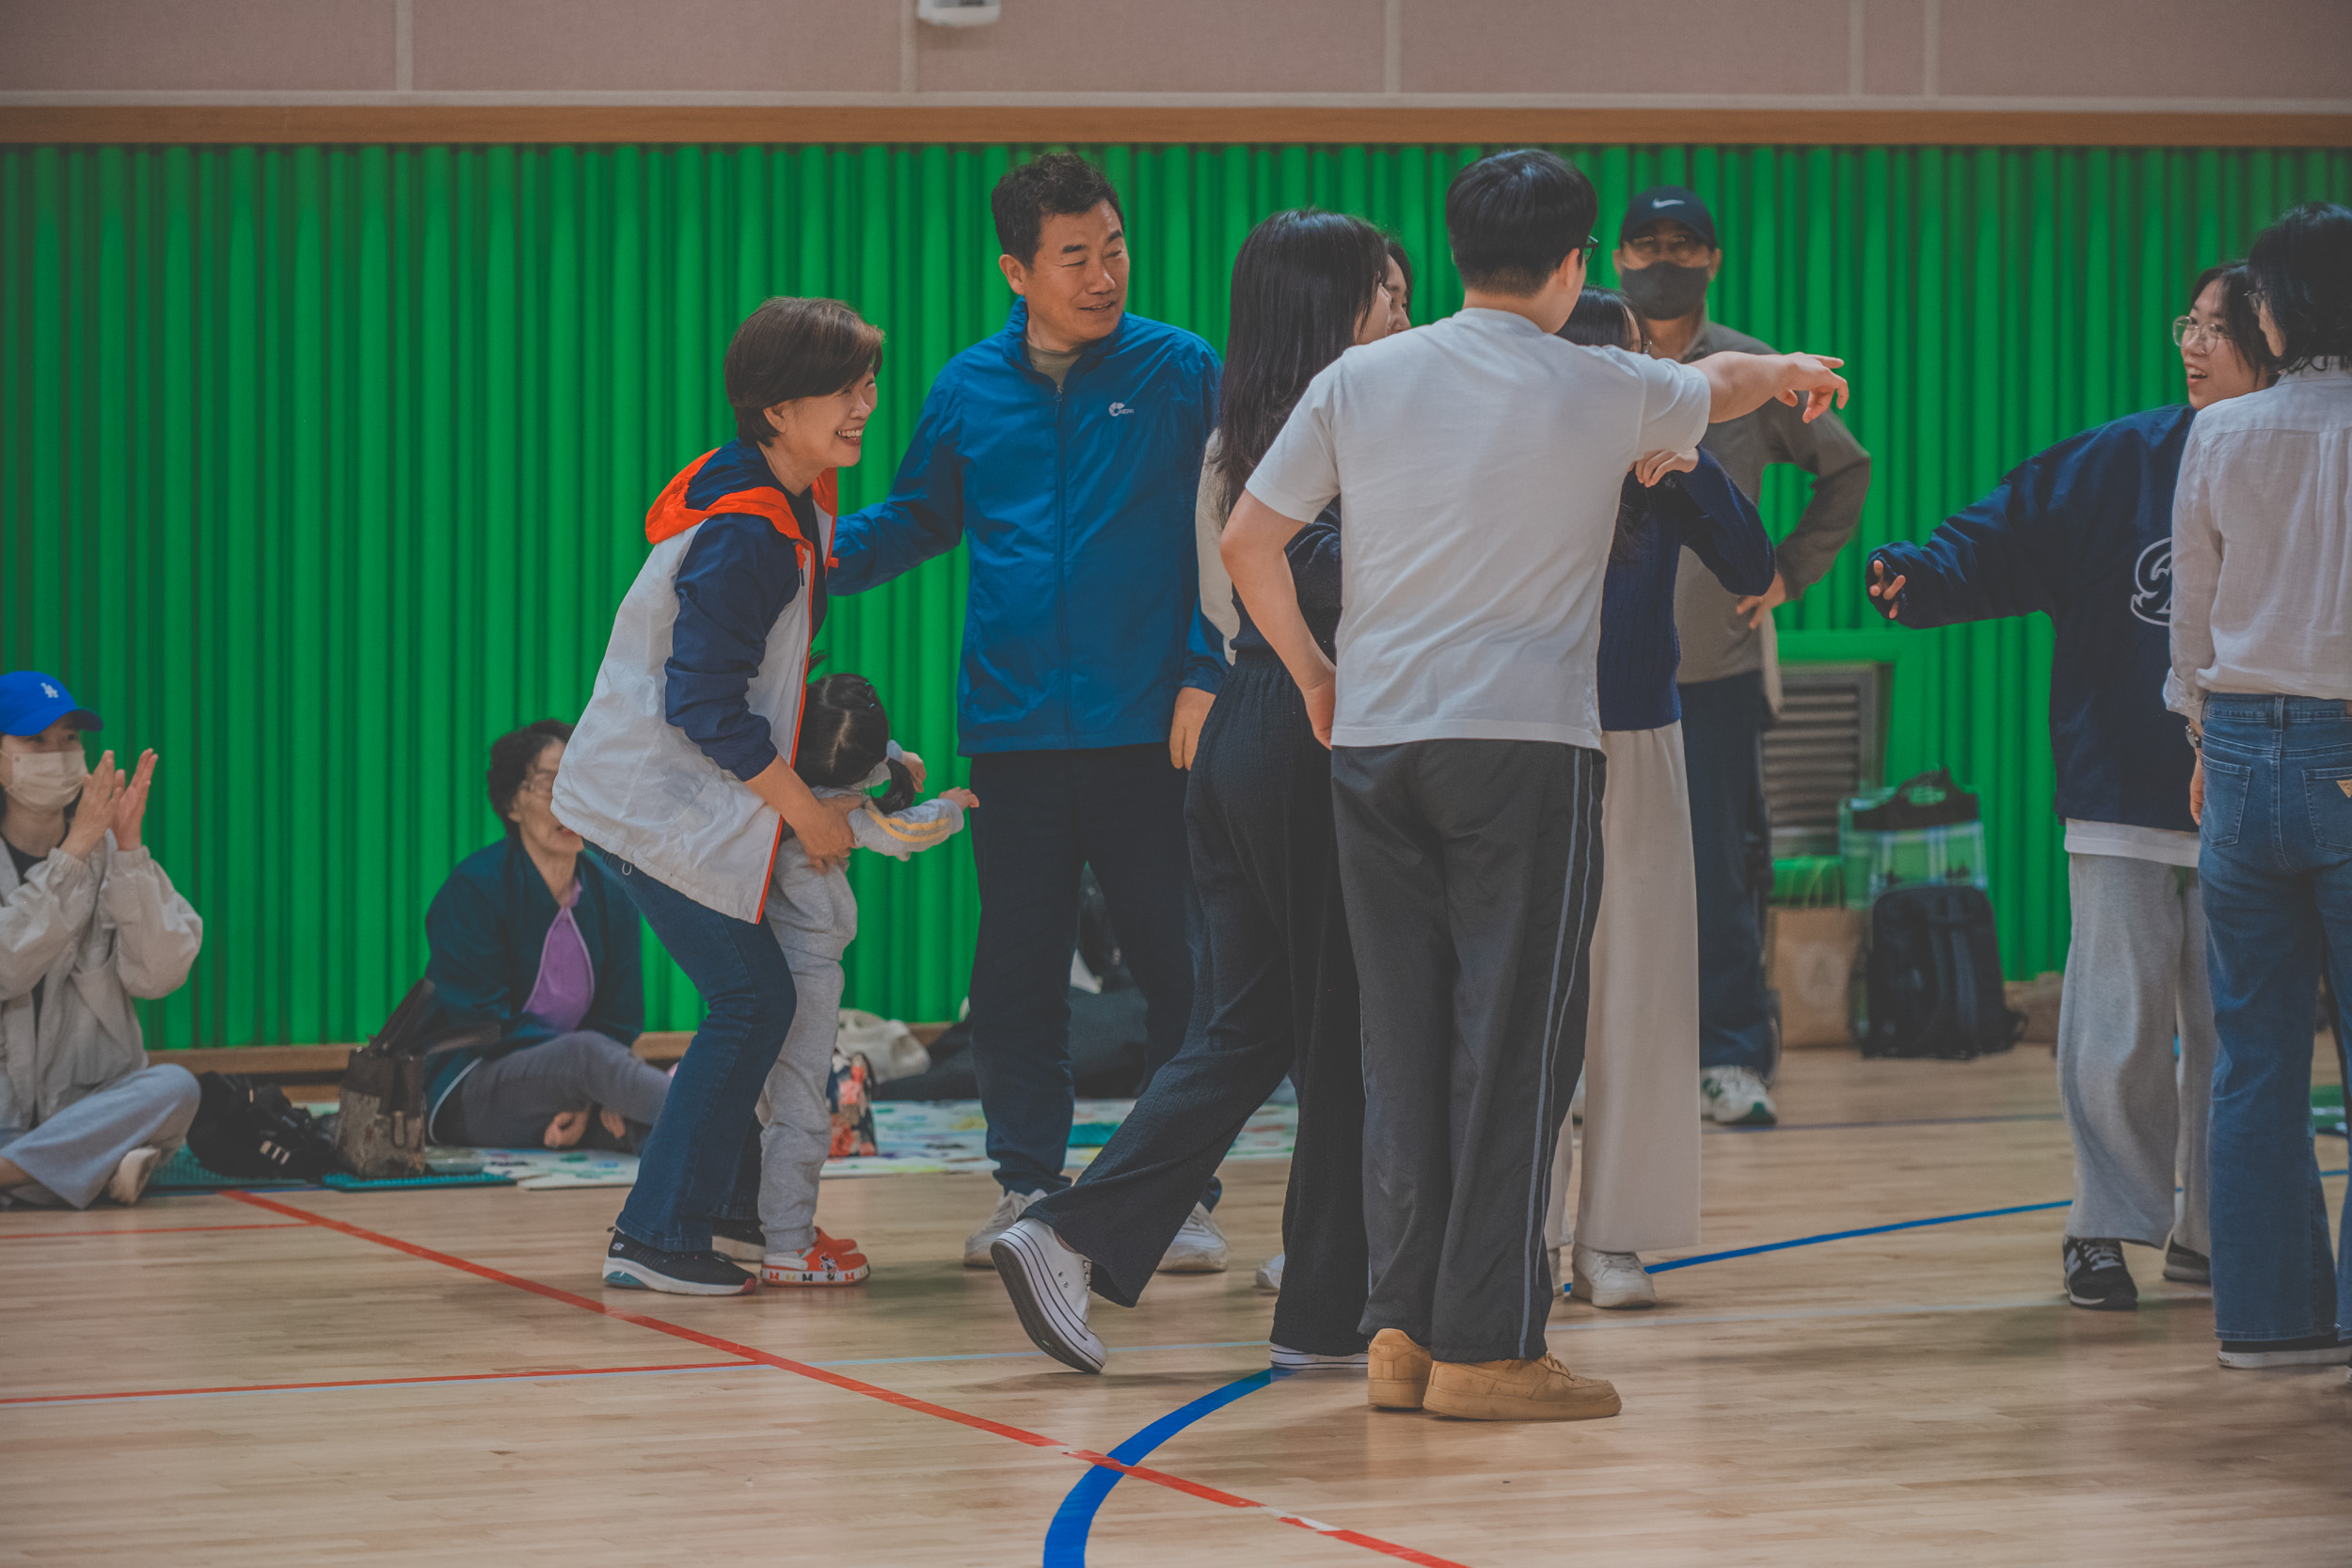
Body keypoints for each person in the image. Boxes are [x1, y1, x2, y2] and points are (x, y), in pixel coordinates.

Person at [1223, 149, 1849, 1421]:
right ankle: (1490, 1346)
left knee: (1399, 1046)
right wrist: (1791, 368)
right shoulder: (1605, 384)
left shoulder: (1362, 376)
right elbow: (1725, 386)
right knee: (1511, 1047)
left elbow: (1249, 540)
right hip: (1522, 749)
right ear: (1575, 266)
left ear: (1456, 254)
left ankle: (1399, 1334)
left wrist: (1316, 675)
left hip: (1377, 743)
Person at [992, 210, 1400, 1376]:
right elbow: (1322, 585)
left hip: (1241, 724)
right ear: (1333, 308)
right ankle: (1320, 1311)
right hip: (1305, 721)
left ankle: (1071, 1234)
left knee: (1250, 1026)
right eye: (1385, 293)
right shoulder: (1336, 430)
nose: (1403, 314)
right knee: (1333, 1029)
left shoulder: (1244, 428)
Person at [829, 153, 1230, 1271]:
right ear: (1017, 269)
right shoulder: (968, 386)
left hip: (1154, 728)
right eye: (1074, 257)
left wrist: (1206, 671)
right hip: (1012, 734)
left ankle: (1174, 1194)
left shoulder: (1181, 369)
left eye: (1114, 248)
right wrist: (801, 552)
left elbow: (1229, 530)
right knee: (1015, 975)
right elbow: (916, 516)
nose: (1103, 274)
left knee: (1182, 971)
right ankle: (1029, 1184)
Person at [1866, 264, 2276, 1313]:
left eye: (2220, 328)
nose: (2194, 345)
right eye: (2189, 323)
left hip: (2254, 787)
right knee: (2115, 1026)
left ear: (2278, 337)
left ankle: (2213, 1231)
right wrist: (1925, 574)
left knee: (2237, 1032)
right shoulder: (2121, 458)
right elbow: (2009, 531)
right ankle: (2102, 1224)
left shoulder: (2306, 464)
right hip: (2121, 783)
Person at [552, 296, 881, 1296]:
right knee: (754, 999)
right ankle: (654, 1232)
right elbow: (702, 701)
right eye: (843, 389)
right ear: (776, 409)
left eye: (870, 383)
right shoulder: (748, 531)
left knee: (755, 1001)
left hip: (682, 798)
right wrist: (807, 810)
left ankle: (730, 1207)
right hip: (646, 801)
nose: (866, 404)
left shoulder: (788, 495)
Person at [1616, 185, 1873, 1128]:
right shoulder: (1593, 364)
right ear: (1615, 259)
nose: (1663, 260)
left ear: (1712, 260)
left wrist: (1787, 574)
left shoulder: (1751, 367)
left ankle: (1728, 1055)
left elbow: (1845, 469)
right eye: (1646, 243)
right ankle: (1603, 1060)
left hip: (1711, 670)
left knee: (1717, 871)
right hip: (1596, 673)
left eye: (1682, 245)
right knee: (1599, 876)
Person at [1542, 289, 1776, 1310]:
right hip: (1525, 737)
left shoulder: (1668, 469)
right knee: (1528, 1003)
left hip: (1640, 733)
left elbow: (1753, 565)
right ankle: (1520, 1237)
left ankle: (1614, 1237)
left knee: (1639, 992)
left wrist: (1694, 466)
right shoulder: (1518, 458)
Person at [2167, 201, 2352, 1370]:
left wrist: (2203, 735)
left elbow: (2192, 611)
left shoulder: (2221, 432)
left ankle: (2269, 1325)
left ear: (2274, 312)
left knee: (2252, 1059)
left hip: (2235, 747)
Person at [751, 671, 974, 1289]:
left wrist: (897, 758)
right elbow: (907, 831)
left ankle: (775, 1227)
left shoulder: (781, 777)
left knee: (773, 1106)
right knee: (801, 1112)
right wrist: (953, 807)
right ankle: (789, 1245)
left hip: (761, 962)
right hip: (808, 973)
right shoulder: (842, 811)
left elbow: (855, 755)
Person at [0, 673, 202, 1210]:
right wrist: (72, 854)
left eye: (69, 738)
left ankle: (17, 1173)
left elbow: (159, 976)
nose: (58, 754)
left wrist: (129, 851)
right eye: (35, 740)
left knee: (176, 1087)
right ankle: (76, 1169)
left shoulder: (113, 852)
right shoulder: (85, 848)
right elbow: (6, 968)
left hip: (81, 1108)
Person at [421, 720, 670, 1154]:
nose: (570, 799)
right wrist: (586, 1081)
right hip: (471, 1084)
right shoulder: (474, 889)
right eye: (552, 783)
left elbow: (619, 1021)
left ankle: (746, 1169)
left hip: (573, 1088)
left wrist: (591, 1097)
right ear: (512, 804)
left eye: (581, 781)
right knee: (588, 1057)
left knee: (641, 1130)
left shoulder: (614, 894)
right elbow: (483, 1023)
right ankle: (737, 1123)